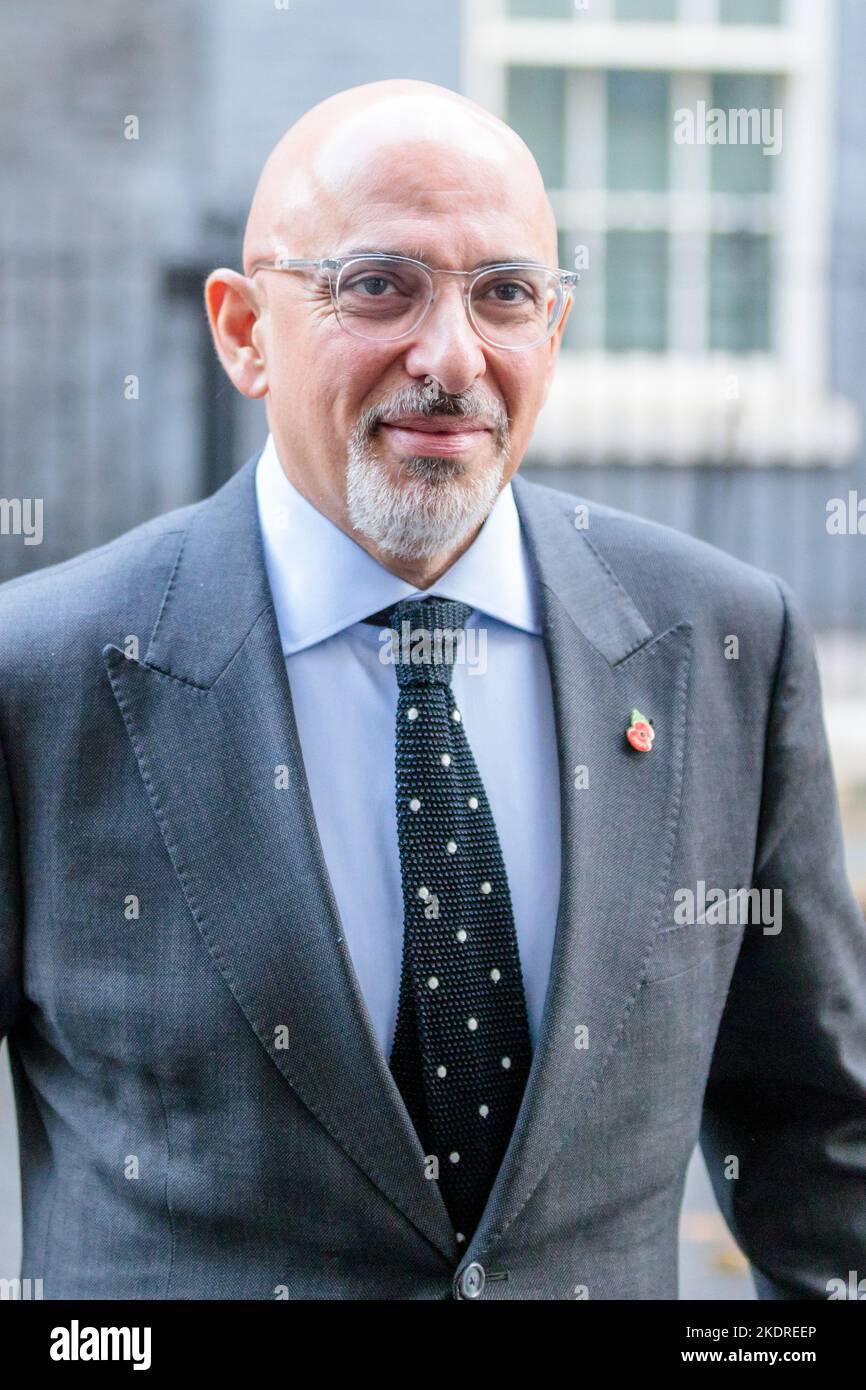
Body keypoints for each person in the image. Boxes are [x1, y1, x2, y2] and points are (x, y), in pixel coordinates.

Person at [0, 79, 863, 1301]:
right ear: (244, 330)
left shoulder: (721, 644)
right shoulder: (40, 679)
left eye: (504, 293)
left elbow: (818, 1154)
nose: (451, 357)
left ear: (550, 330)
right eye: (377, 286)